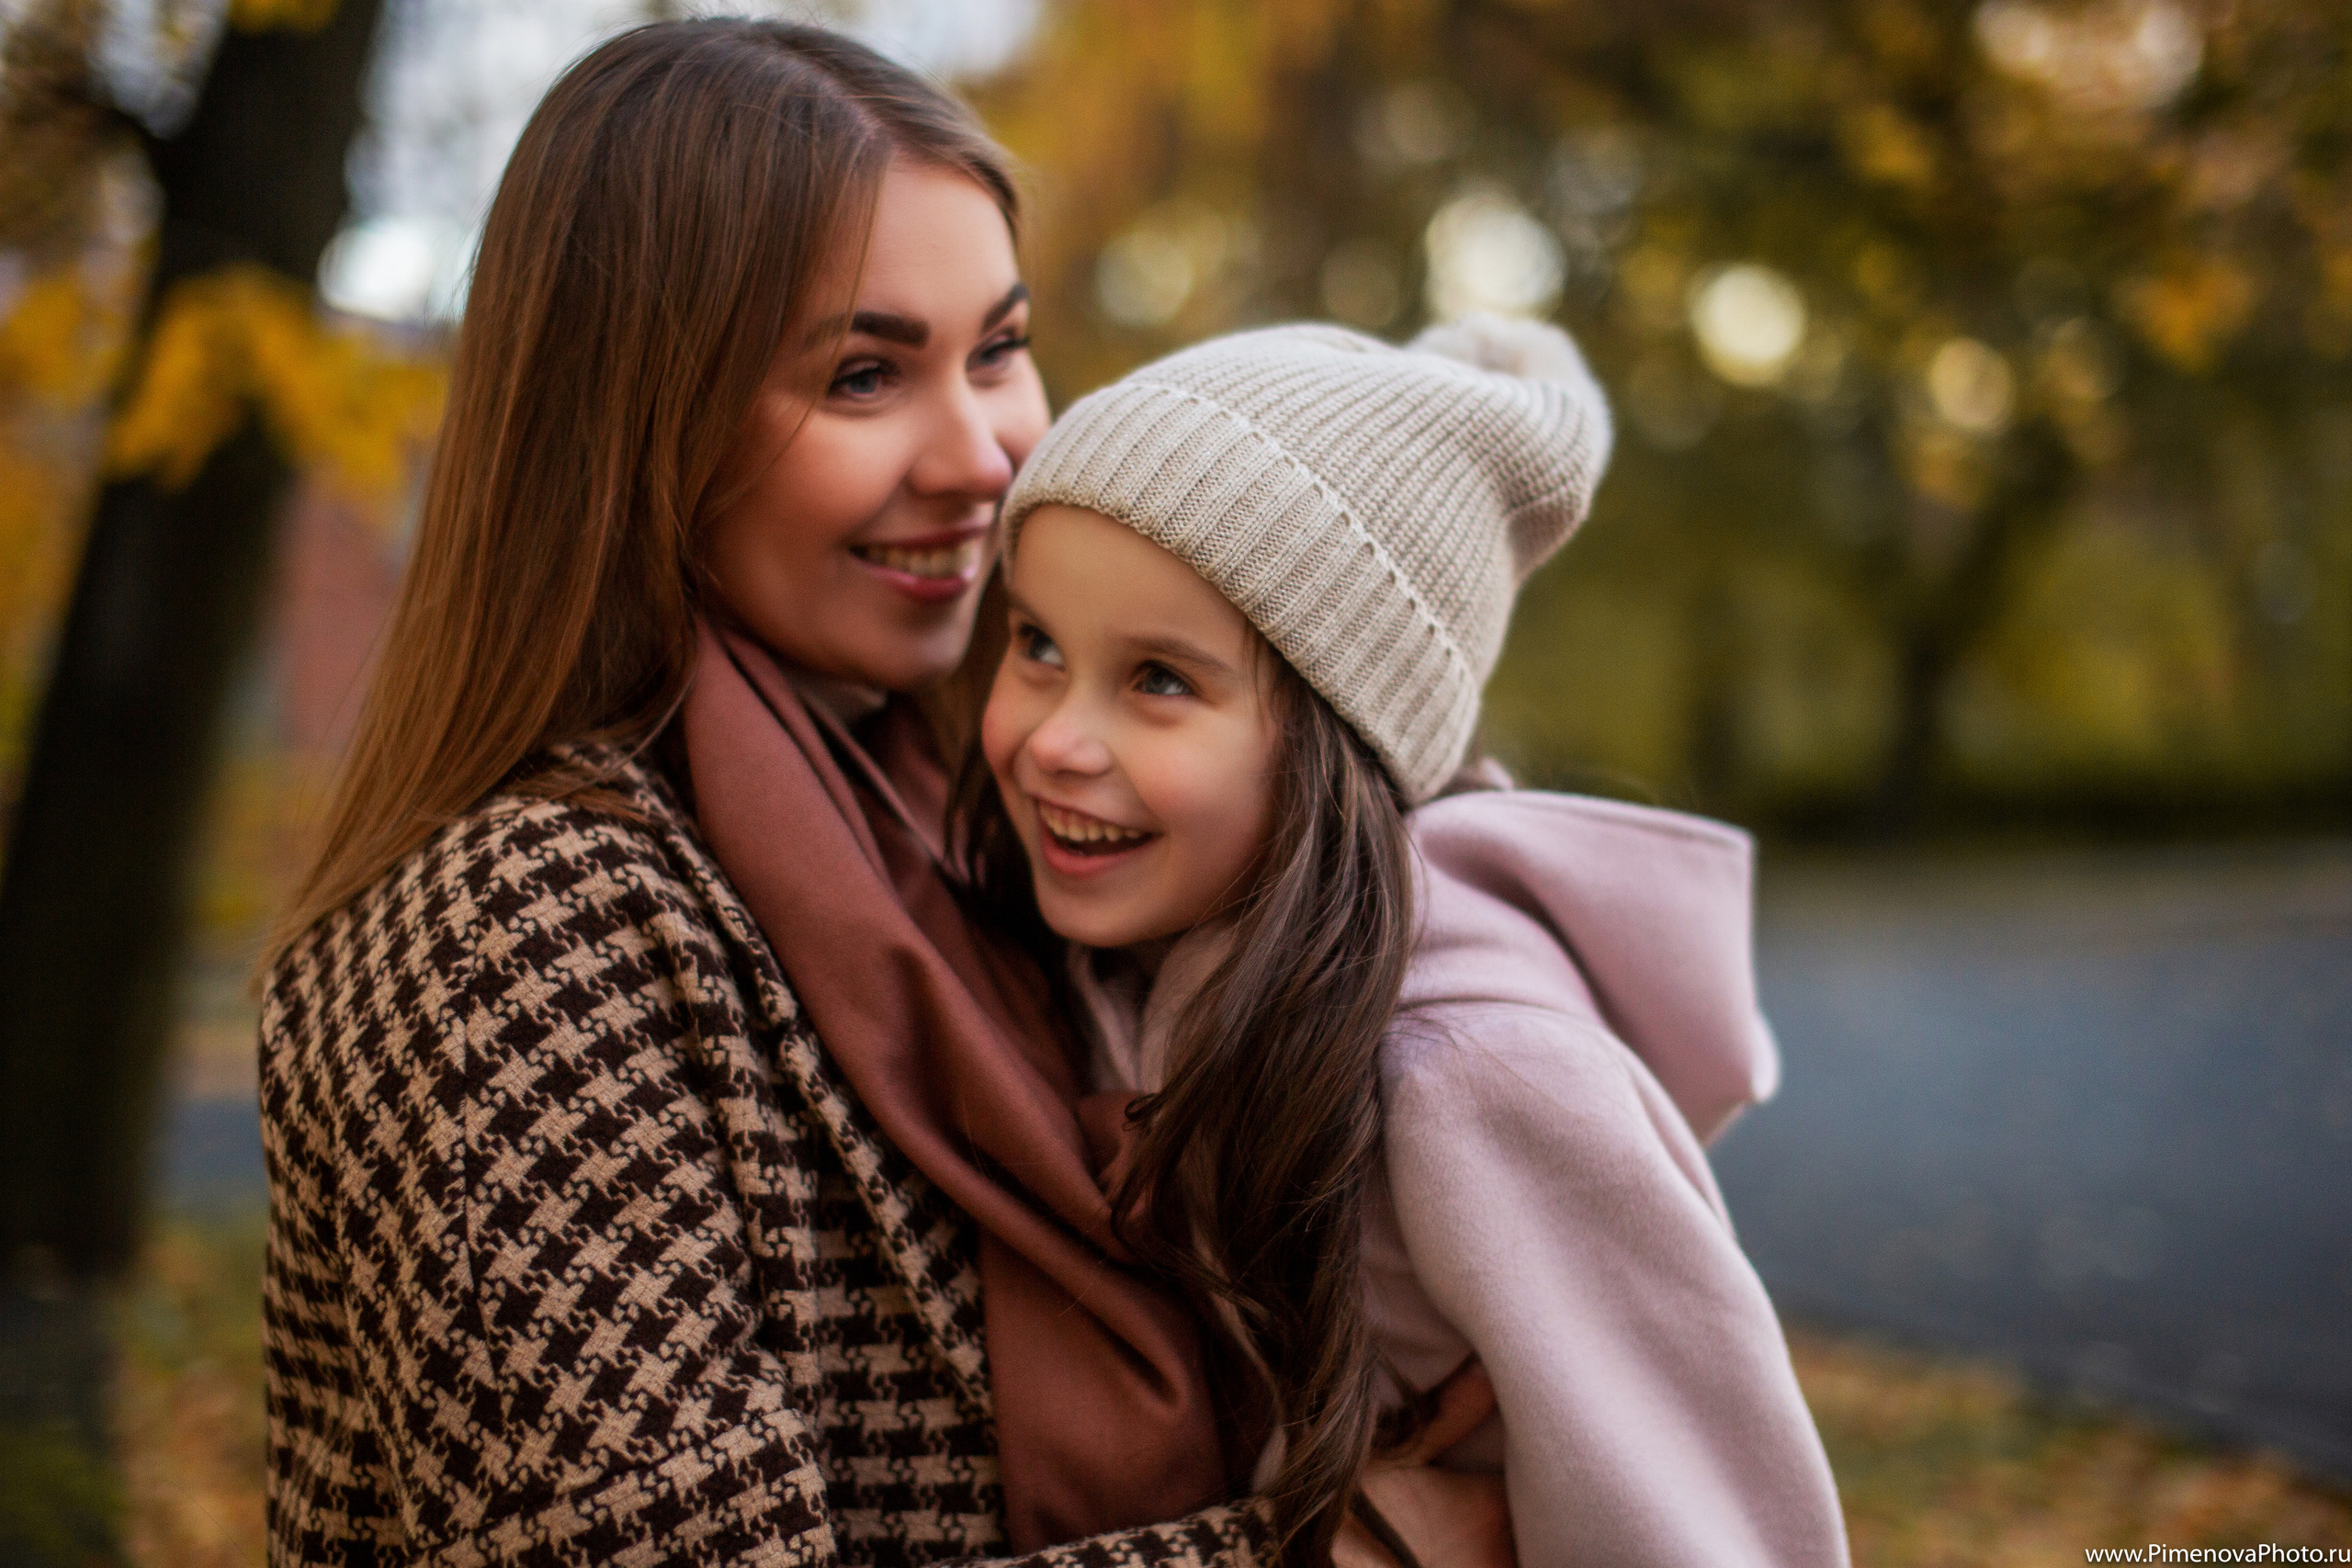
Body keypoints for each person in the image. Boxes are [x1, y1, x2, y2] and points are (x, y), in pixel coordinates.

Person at [259, 20, 1501, 1566]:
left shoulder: (966, 815)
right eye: (864, 374)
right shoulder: (515, 930)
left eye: (997, 347)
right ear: (643, 430)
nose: (984, 454)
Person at [965, 316, 1854, 1564]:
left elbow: (1703, 1531)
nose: (1056, 736)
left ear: (1343, 736)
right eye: (1037, 643)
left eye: (1160, 678)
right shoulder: (1145, 955)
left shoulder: (1470, 1072)